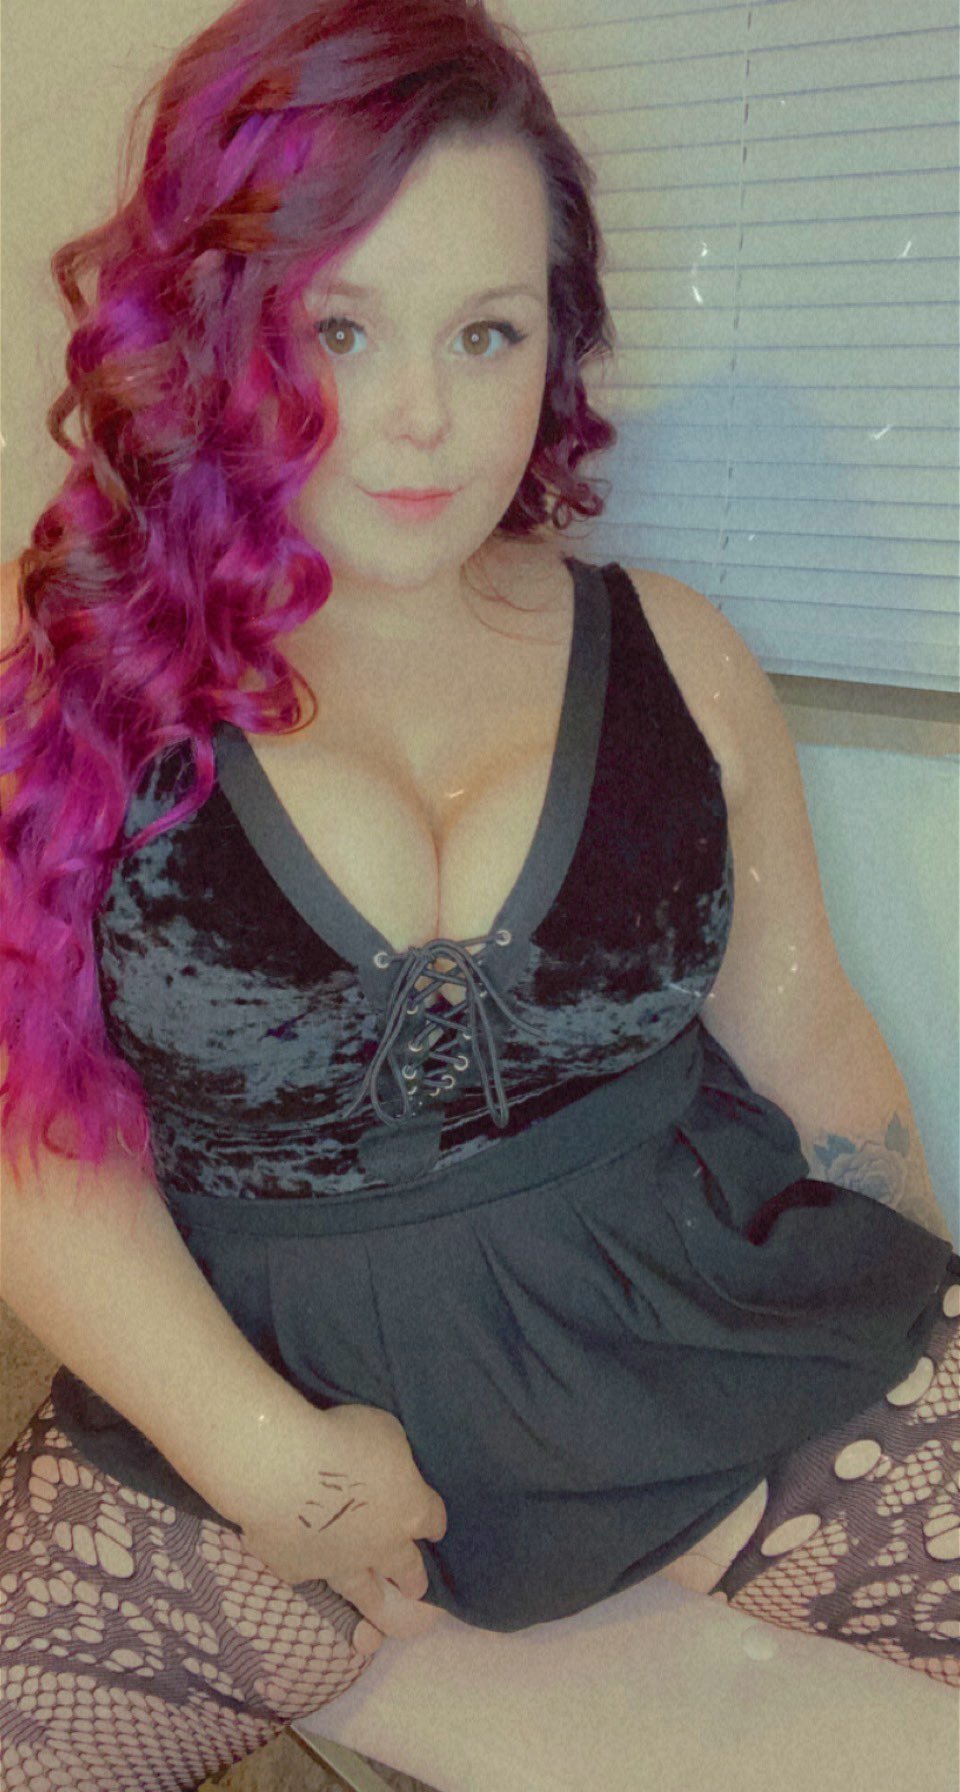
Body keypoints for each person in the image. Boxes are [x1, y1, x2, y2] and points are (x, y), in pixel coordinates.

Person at [1, 2, 957, 1787]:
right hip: (250, 1401)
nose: (422, 419)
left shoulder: (680, 653)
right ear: (210, 331)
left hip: (704, 1333)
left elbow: (811, 1039)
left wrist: (913, 1312)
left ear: (556, 338)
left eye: (488, 331)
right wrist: (267, 1462)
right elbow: (34, 1133)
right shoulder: (74, 681)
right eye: (338, 329)